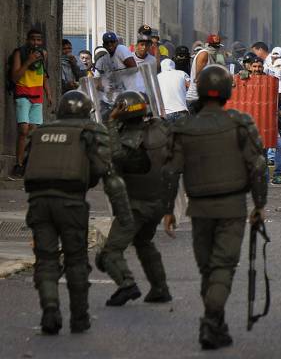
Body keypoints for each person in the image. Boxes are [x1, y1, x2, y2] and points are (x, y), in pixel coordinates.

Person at [162, 65, 267, 350]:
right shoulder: (240, 123)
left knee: (208, 269)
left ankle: (215, 322)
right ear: (227, 91)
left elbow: (171, 172)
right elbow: (257, 167)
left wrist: (169, 210)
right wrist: (259, 204)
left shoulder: (184, 127)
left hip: (199, 210)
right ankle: (211, 322)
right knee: (222, 267)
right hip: (232, 208)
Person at [23, 91, 133, 334]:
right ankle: (79, 317)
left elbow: (26, 164)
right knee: (76, 260)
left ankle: (50, 308)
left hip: (39, 202)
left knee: (46, 259)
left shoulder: (39, 131)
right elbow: (103, 168)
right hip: (71, 202)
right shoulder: (91, 130)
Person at [97, 91, 172, 306]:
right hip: (158, 201)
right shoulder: (160, 127)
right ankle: (160, 288)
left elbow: (117, 156)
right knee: (143, 242)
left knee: (110, 252)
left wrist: (111, 123)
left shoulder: (129, 139)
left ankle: (126, 285)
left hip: (135, 204)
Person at [10, 28, 52, 178]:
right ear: (27, 40)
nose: (36, 43)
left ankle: (30, 163)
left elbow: (44, 76)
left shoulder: (43, 54)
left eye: (38, 40)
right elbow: (14, 77)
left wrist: (49, 93)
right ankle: (18, 164)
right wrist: (28, 61)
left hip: (37, 96)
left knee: (34, 132)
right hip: (22, 94)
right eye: (33, 39)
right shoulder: (19, 53)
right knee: (23, 130)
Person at [94, 31, 138, 118]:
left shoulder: (120, 49)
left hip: (131, 93)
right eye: (107, 42)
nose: (110, 44)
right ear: (104, 45)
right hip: (119, 96)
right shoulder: (107, 58)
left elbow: (133, 68)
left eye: (112, 42)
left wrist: (117, 75)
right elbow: (98, 82)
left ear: (116, 42)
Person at [186, 34, 225, 111]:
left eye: (217, 46)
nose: (215, 49)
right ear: (207, 45)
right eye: (213, 46)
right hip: (196, 99)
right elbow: (198, 79)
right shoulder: (204, 54)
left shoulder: (216, 57)